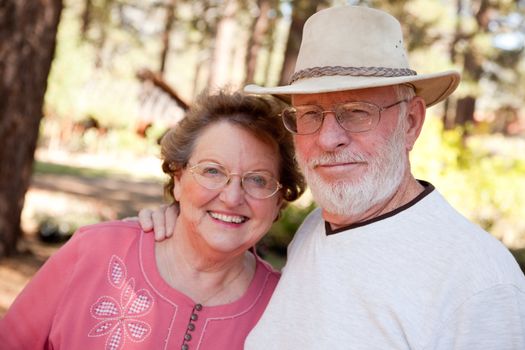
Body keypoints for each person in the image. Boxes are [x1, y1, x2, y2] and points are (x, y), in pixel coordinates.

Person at [138, 5, 525, 349]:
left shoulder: (477, 282)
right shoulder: (317, 227)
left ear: (410, 122)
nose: (328, 138)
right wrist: (183, 222)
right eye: (309, 114)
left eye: (356, 111)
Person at [0, 90, 306, 349]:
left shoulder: (283, 308)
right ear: (178, 178)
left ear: (279, 199)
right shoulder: (95, 251)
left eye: (258, 180)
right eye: (212, 171)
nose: (233, 197)